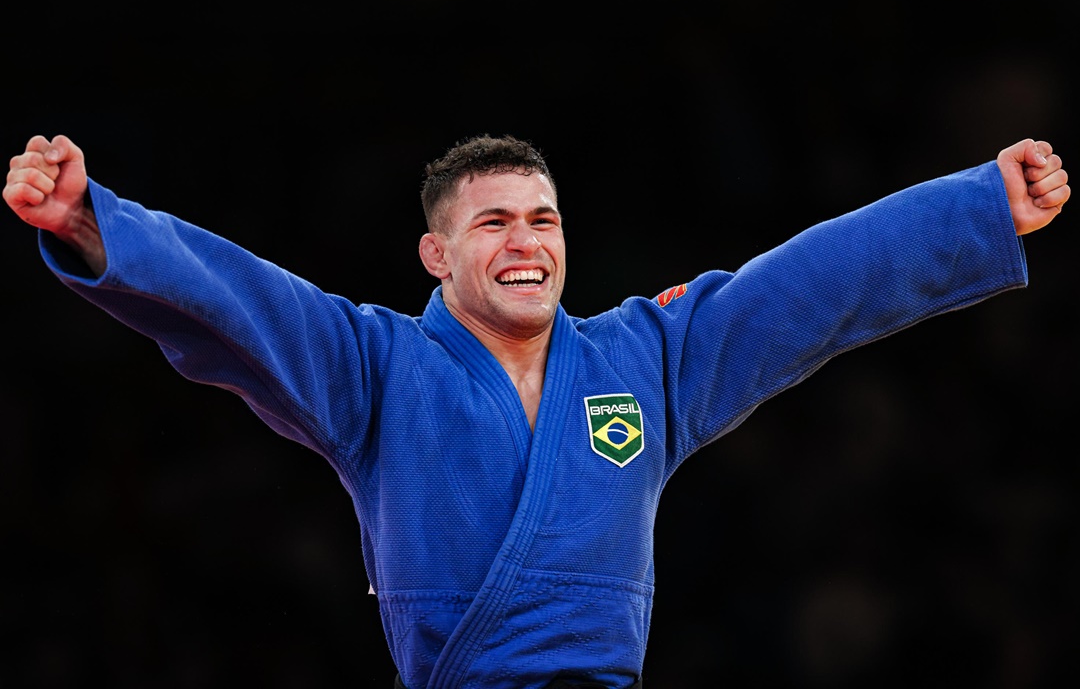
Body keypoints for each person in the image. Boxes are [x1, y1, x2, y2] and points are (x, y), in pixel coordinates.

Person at [3, 132, 1069, 689]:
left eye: (544, 218)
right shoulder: (377, 370)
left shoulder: (645, 361)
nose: (526, 240)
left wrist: (975, 205)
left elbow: (805, 291)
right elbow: (242, 300)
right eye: (494, 222)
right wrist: (96, 226)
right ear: (436, 254)